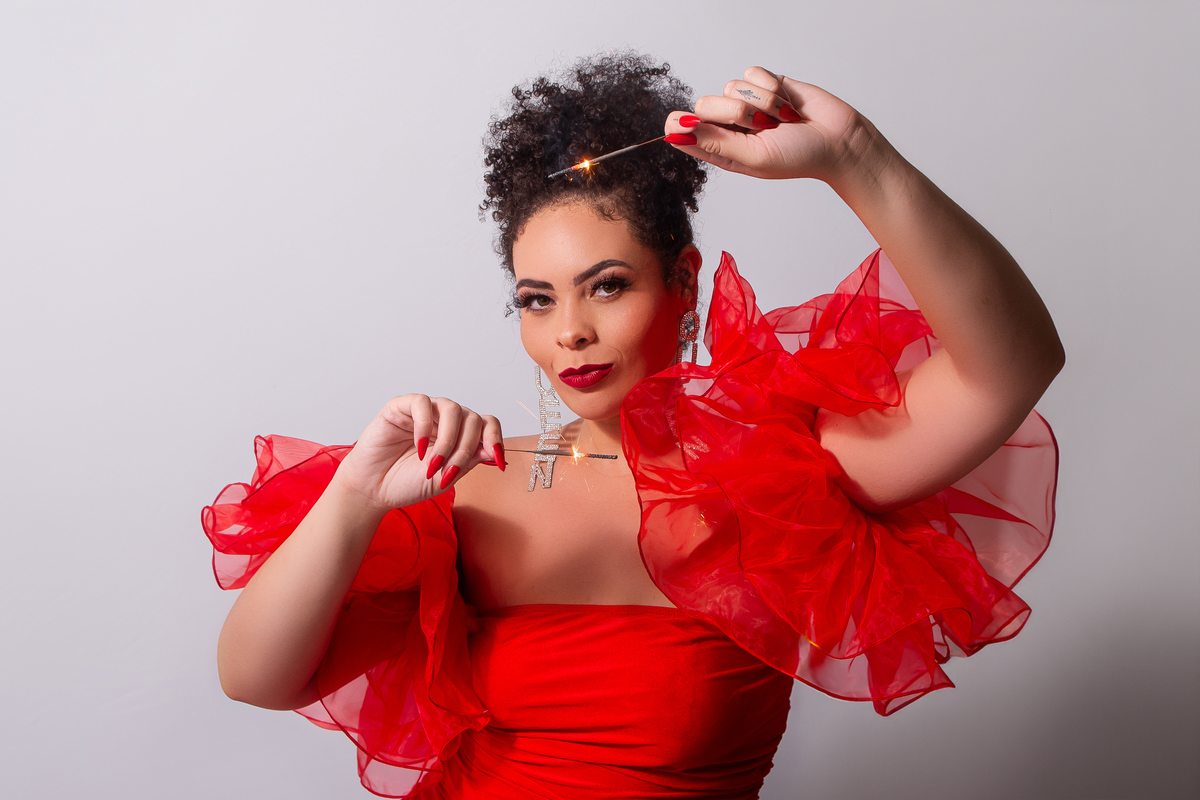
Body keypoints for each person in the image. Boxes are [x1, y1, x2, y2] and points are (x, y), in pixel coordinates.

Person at [203, 52, 1063, 798]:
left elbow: (1012, 368)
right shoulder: (468, 488)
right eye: (537, 300)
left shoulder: (784, 479)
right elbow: (253, 679)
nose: (569, 332)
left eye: (606, 285)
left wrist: (855, 155)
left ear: (684, 282)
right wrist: (356, 496)